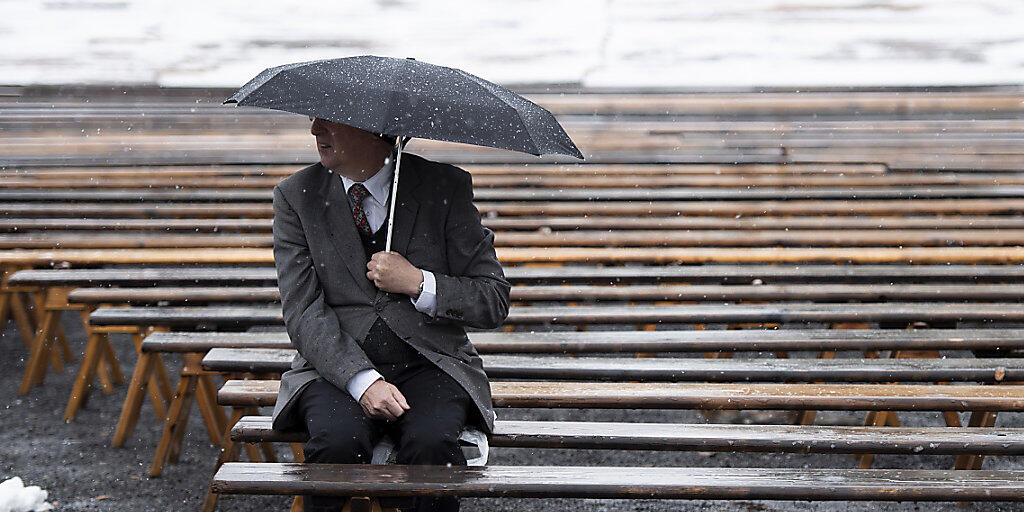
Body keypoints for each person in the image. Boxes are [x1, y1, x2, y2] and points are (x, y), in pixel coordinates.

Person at [269, 117, 511, 512]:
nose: (315, 131)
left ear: (376, 131)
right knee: (335, 446)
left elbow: (492, 300)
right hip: (333, 368)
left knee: (433, 447)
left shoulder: (443, 187)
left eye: (329, 123)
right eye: (314, 121)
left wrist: (418, 282)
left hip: (430, 362)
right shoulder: (297, 195)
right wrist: (362, 382)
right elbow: (302, 310)